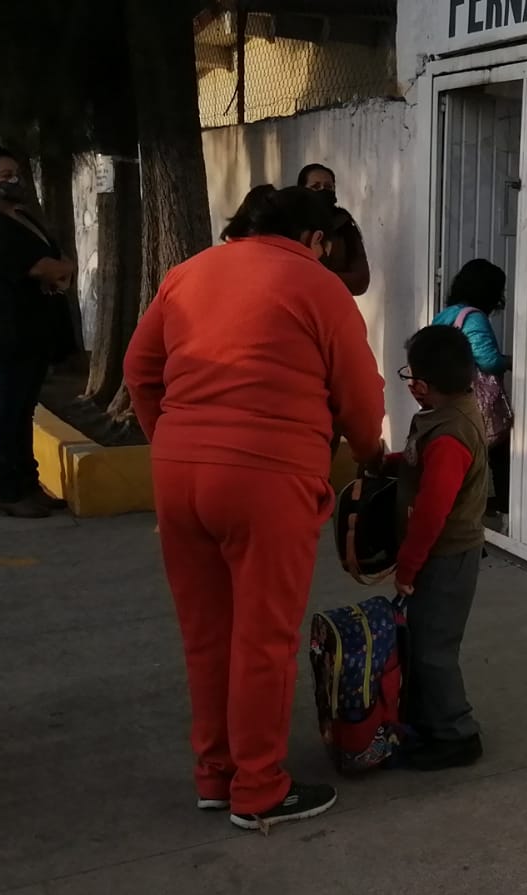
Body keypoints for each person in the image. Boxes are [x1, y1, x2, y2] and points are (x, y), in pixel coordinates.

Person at [124, 185, 387, 832]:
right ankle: (260, 786)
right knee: (264, 639)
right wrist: (369, 454)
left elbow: (139, 370)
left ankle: (216, 775)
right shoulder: (317, 285)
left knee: (207, 634)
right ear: (315, 240)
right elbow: (360, 395)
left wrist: (176, 442)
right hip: (267, 476)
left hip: (179, 473)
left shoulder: (187, 274)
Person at [388, 324, 491, 770]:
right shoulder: (444, 415)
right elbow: (422, 464)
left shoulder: (450, 434)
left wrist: (407, 567)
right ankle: (427, 720)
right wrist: (388, 463)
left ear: (423, 386)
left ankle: (456, 734)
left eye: (410, 375)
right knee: (422, 641)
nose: (409, 383)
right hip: (439, 555)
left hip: (446, 557)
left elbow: (433, 511)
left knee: (434, 649)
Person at [0, 146, 78, 519]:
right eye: (5, 175)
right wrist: (55, 270)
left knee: (23, 411)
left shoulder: (23, 216)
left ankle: (30, 485)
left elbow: (58, 260)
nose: (14, 180)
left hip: (33, 330)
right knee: (6, 413)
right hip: (5, 331)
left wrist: (59, 269)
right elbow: (38, 266)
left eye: (16, 173)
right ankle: (10, 492)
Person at [432, 259, 511, 518]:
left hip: (449, 397)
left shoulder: (446, 315)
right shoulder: (474, 317)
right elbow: (488, 360)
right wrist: (511, 361)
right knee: (499, 447)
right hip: (473, 401)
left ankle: (455, 500)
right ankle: (502, 504)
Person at [297, 164, 370, 296]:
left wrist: (317, 277)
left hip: (334, 303)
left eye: (328, 187)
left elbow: (361, 280)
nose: (322, 191)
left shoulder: (344, 225)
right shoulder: (290, 226)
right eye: (315, 187)